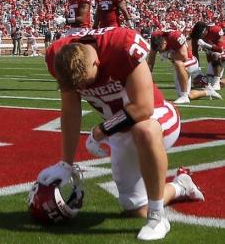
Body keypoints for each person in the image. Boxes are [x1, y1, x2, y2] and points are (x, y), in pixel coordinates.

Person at [40, 27, 204, 241]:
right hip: (120, 130)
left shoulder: (122, 45)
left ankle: (157, 218)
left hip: (157, 115)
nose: (83, 88)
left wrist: (102, 130)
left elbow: (143, 108)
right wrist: (66, 163)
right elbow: (70, 111)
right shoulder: (60, 56)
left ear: (97, 63)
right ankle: (181, 185)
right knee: (135, 208)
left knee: (143, 130)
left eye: (86, 82)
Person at [148, 29, 221, 104]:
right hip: (180, 66)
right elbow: (151, 59)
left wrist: (168, 54)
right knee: (188, 95)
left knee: (178, 63)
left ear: (164, 42)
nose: (160, 51)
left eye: (160, 48)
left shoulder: (174, 36)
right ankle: (208, 92)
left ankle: (184, 96)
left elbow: (184, 56)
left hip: (190, 61)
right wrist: (148, 76)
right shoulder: (155, 38)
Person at [190, 21, 225, 90]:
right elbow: (195, 52)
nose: (199, 37)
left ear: (205, 30)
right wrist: (198, 69)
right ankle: (219, 81)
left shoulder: (215, 30)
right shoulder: (196, 35)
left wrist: (205, 45)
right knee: (209, 82)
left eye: (200, 35)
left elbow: (220, 49)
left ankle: (216, 84)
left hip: (222, 53)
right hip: (212, 59)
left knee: (216, 55)